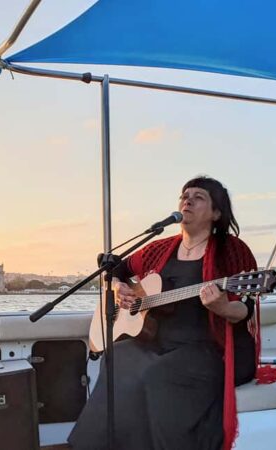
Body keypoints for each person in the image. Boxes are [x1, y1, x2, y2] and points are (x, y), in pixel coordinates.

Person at [68, 176, 259, 450]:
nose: (187, 200)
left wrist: (224, 308)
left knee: (158, 375)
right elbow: (114, 271)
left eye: (199, 197)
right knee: (118, 357)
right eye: (184, 195)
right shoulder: (160, 248)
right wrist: (120, 287)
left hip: (207, 349)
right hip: (158, 341)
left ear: (216, 213)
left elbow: (247, 306)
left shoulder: (231, 250)